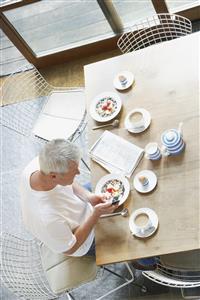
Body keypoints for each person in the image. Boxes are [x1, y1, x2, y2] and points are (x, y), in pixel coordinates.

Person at [20, 139, 118, 256]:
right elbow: (70, 248)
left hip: (81, 207)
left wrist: (89, 197)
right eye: (73, 172)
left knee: (114, 184)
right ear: (53, 176)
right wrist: (95, 215)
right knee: (128, 238)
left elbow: (67, 183)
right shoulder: (48, 219)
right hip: (83, 242)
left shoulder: (41, 163)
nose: (78, 173)